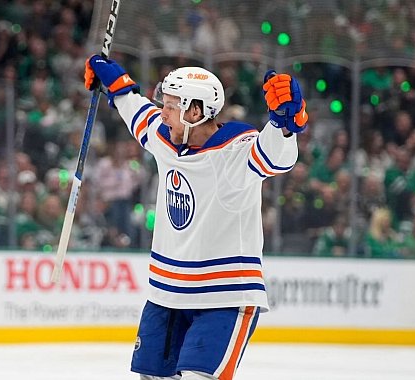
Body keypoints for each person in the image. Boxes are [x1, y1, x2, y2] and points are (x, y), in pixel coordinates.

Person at [85, 56, 306, 380]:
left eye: (172, 106)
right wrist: (116, 84)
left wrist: (284, 124)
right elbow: (140, 115)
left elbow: (275, 157)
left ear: (195, 111)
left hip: (225, 296)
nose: (163, 113)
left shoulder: (236, 151)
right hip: (166, 294)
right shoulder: (166, 138)